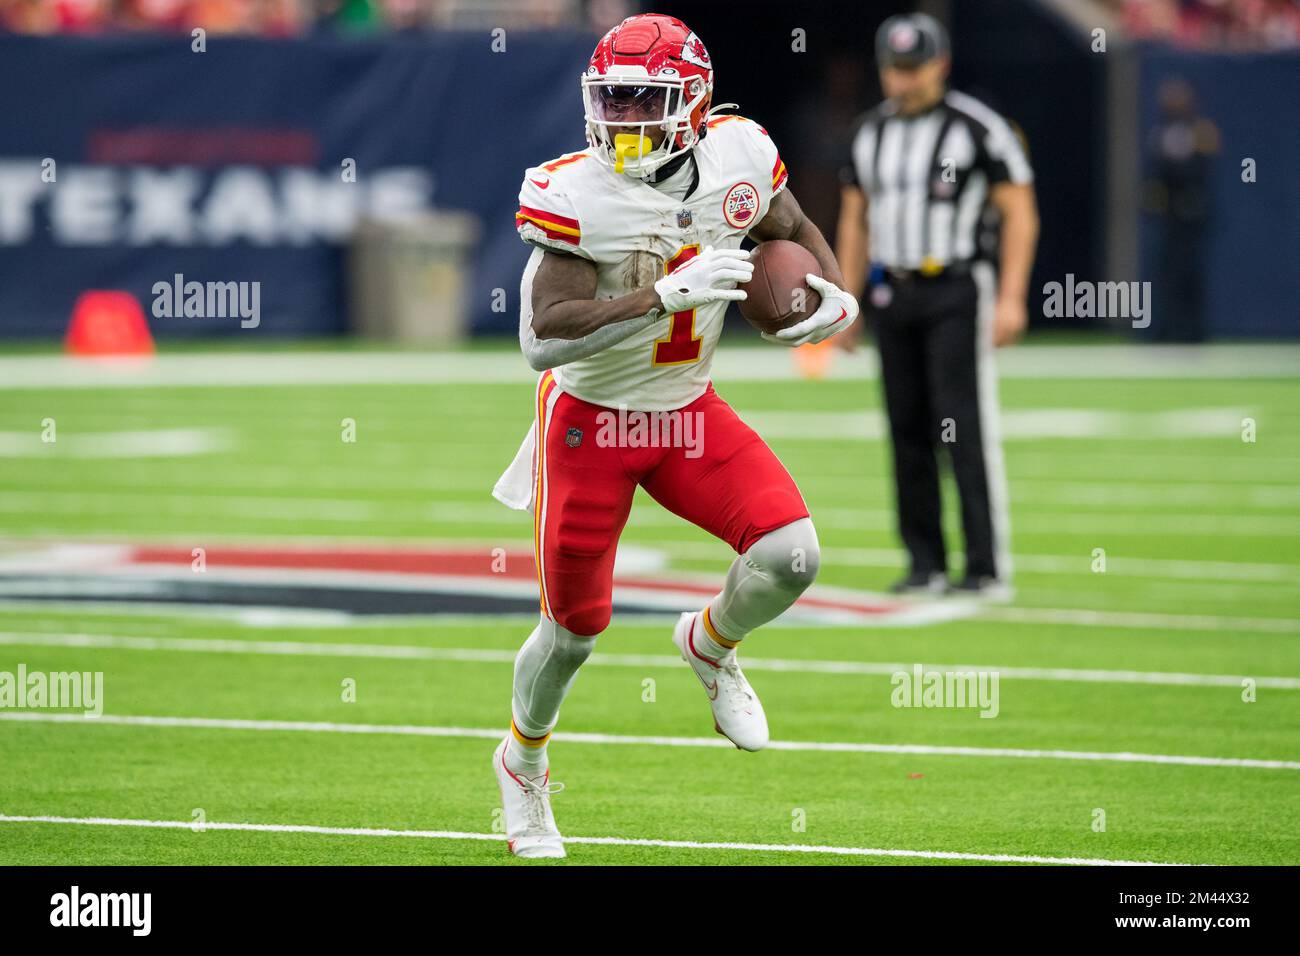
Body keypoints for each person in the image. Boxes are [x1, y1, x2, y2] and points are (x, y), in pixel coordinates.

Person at [490, 12, 860, 858]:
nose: (621, 120)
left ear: (692, 105)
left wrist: (831, 297)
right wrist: (661, 296)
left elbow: (791, 230)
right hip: (589, 422)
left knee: (792, 554)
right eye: (610, 100)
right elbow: (541, 337)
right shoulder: (577, 194)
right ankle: (523, 763)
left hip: (687, 411)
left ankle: (711, 644)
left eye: (642, 100)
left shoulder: (737, 158)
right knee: (573, 633)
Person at [835, 12, 1038, 598]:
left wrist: (1012, 296)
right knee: (905, 428)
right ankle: (924, 561)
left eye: (913, 69)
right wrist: (847, 301)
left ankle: (983, 566)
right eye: (894, 70)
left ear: (941, 65)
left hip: (955, 287)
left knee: (962, 425)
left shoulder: (978, 128)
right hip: (892, 289)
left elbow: (1019, 211)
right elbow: (856, 219)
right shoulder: (869, 131)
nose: (903, 81)